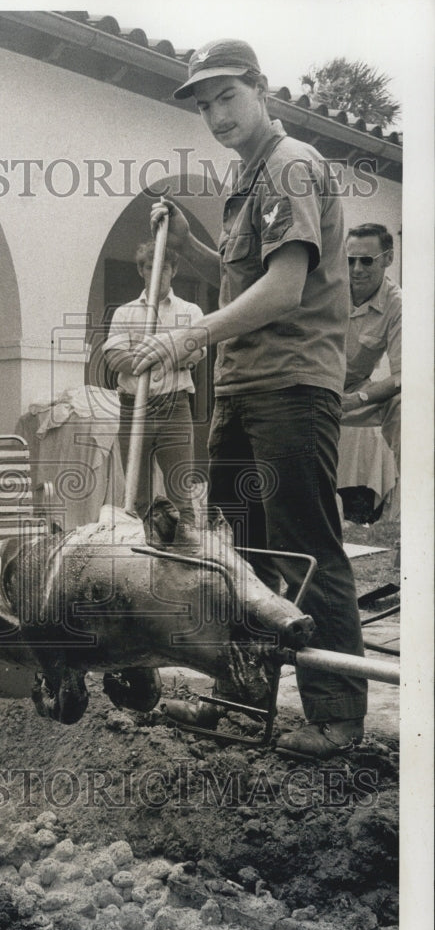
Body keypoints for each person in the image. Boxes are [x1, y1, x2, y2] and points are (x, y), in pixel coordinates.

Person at [137, 38, 366, 759]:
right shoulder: (247, 178)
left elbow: (285, 287)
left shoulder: (291, 165)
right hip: (239, 390)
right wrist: (190, 243)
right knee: (242, 556)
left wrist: (188, 337)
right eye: (202, 105)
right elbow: (241, 280)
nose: (214, 114)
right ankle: (242, 701)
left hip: (291, 387)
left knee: (304, 549)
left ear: (260, 89)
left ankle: (333, 716)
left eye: (225, 97)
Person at [103, 241, 203, 529]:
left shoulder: (189, 311)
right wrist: (171, 353)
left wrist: (148, 353)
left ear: (173, 271)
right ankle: (149, 560)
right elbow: (114, 358)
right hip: (134, 409)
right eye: (150, 267)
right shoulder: (125, 313)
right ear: (141, 270)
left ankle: (186, 559)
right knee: (139, 498)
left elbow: (196, 352)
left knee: (181, 495)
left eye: (164, 267)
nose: (157, 272)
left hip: (175, 407)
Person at [340, 223, 401, 476]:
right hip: (312, 383)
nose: (356, 270)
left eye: (366, 261)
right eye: (350, 260)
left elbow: (402, 376)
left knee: (405, 404)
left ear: (388, 259)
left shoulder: (398, 305)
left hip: (354, 390)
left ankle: (414, 498)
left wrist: (356, 399)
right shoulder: (327, 287)